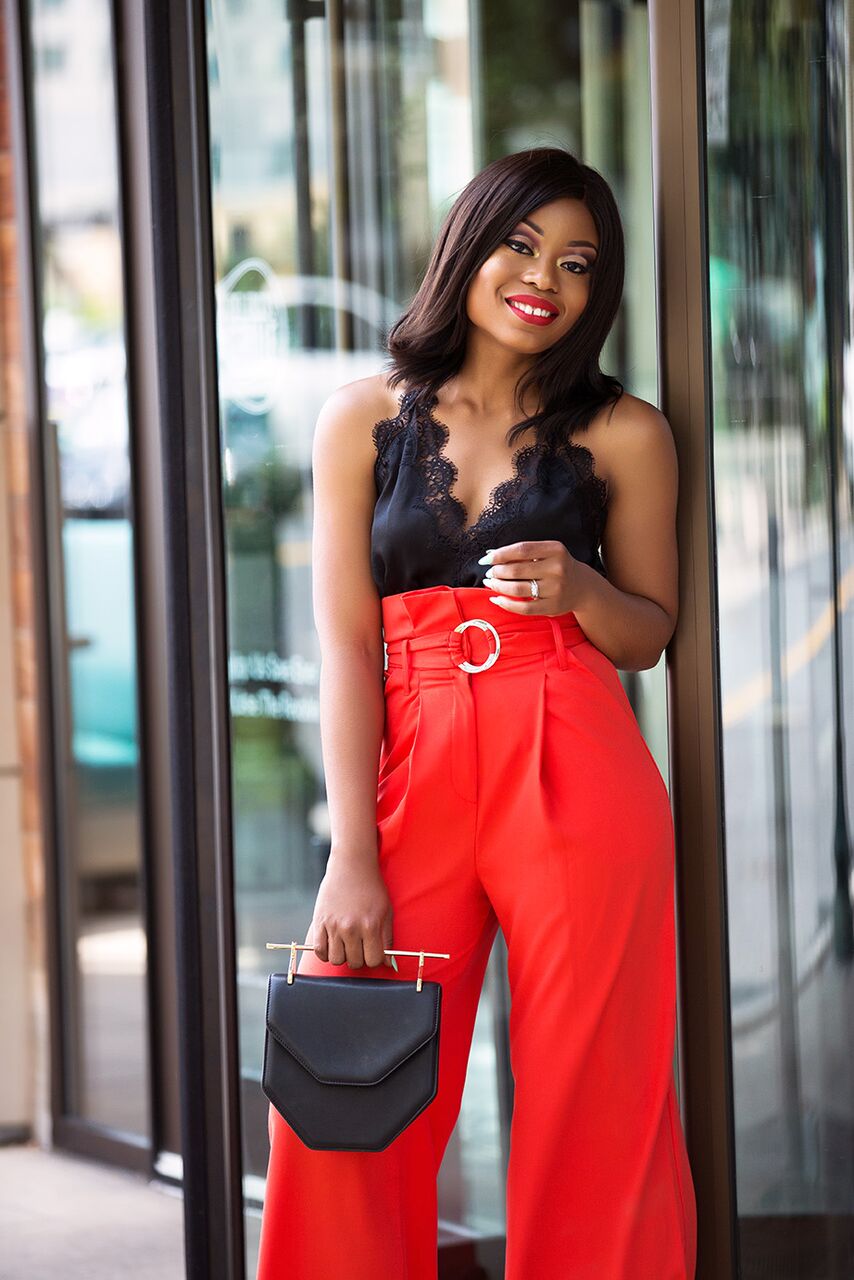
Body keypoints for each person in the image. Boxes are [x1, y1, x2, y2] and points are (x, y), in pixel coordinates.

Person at [256, 146, 698, 1279]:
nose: (542, 275)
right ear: (469, 243)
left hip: (574, 755)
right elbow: (347, 647)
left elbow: (648, 633)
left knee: (596, 1107)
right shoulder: (360, 419)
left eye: (577, 262)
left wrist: (582, 588)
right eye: (519, 242)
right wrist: (349, 850)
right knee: (342, 1093)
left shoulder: (624, 432)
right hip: (412, 757)